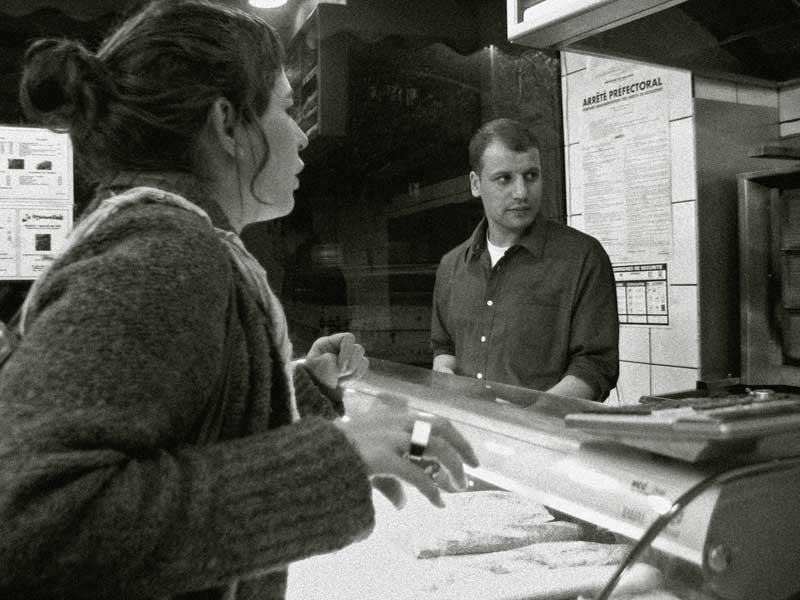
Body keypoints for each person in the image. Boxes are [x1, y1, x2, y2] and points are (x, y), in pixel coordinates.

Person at [0, 2, 478, 599]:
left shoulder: (167, 238)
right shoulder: (166, 251)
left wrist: (303, 391)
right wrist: (338, 457)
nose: (301, 133)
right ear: (227, 124)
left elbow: (181, 433)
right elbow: (29, 524)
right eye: (283, 106)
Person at [431, 118, 618, 401]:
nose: (521, 193)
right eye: (504, 179)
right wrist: (445, 375)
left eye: (531, 176)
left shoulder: (582, 258)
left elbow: (595, 366)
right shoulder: (452, 266)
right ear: (475, 184)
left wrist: (528, 419)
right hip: (471, 429)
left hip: (545, 437)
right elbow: (444, 347)